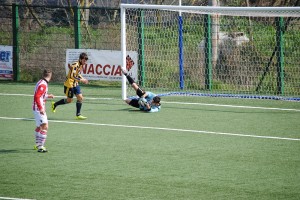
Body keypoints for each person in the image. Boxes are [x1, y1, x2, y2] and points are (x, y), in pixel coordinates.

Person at [51, 52, 89, 120]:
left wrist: (83, 79)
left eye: (86, 61)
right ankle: (55, 104)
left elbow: (77, 75)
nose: (85, 62)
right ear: (80, 59)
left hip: (75, 84)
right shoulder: (75, 65)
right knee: (69, 100)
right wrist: (81, 80)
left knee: (80, 98)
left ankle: (78, 115)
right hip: (69, 85)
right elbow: (72, 76)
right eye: (84, 60)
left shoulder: (81, 66)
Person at [32, 68, 54, 153]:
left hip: (36, 107)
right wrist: (40, 108)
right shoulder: (43, 84)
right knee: (45, 126)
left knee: (39, 127)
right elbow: (37, 96)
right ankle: (41, 147)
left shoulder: (41, 82)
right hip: (39, 108)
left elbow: (41, 95)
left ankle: (37, 145)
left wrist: (48, 96)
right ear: (50, 75)